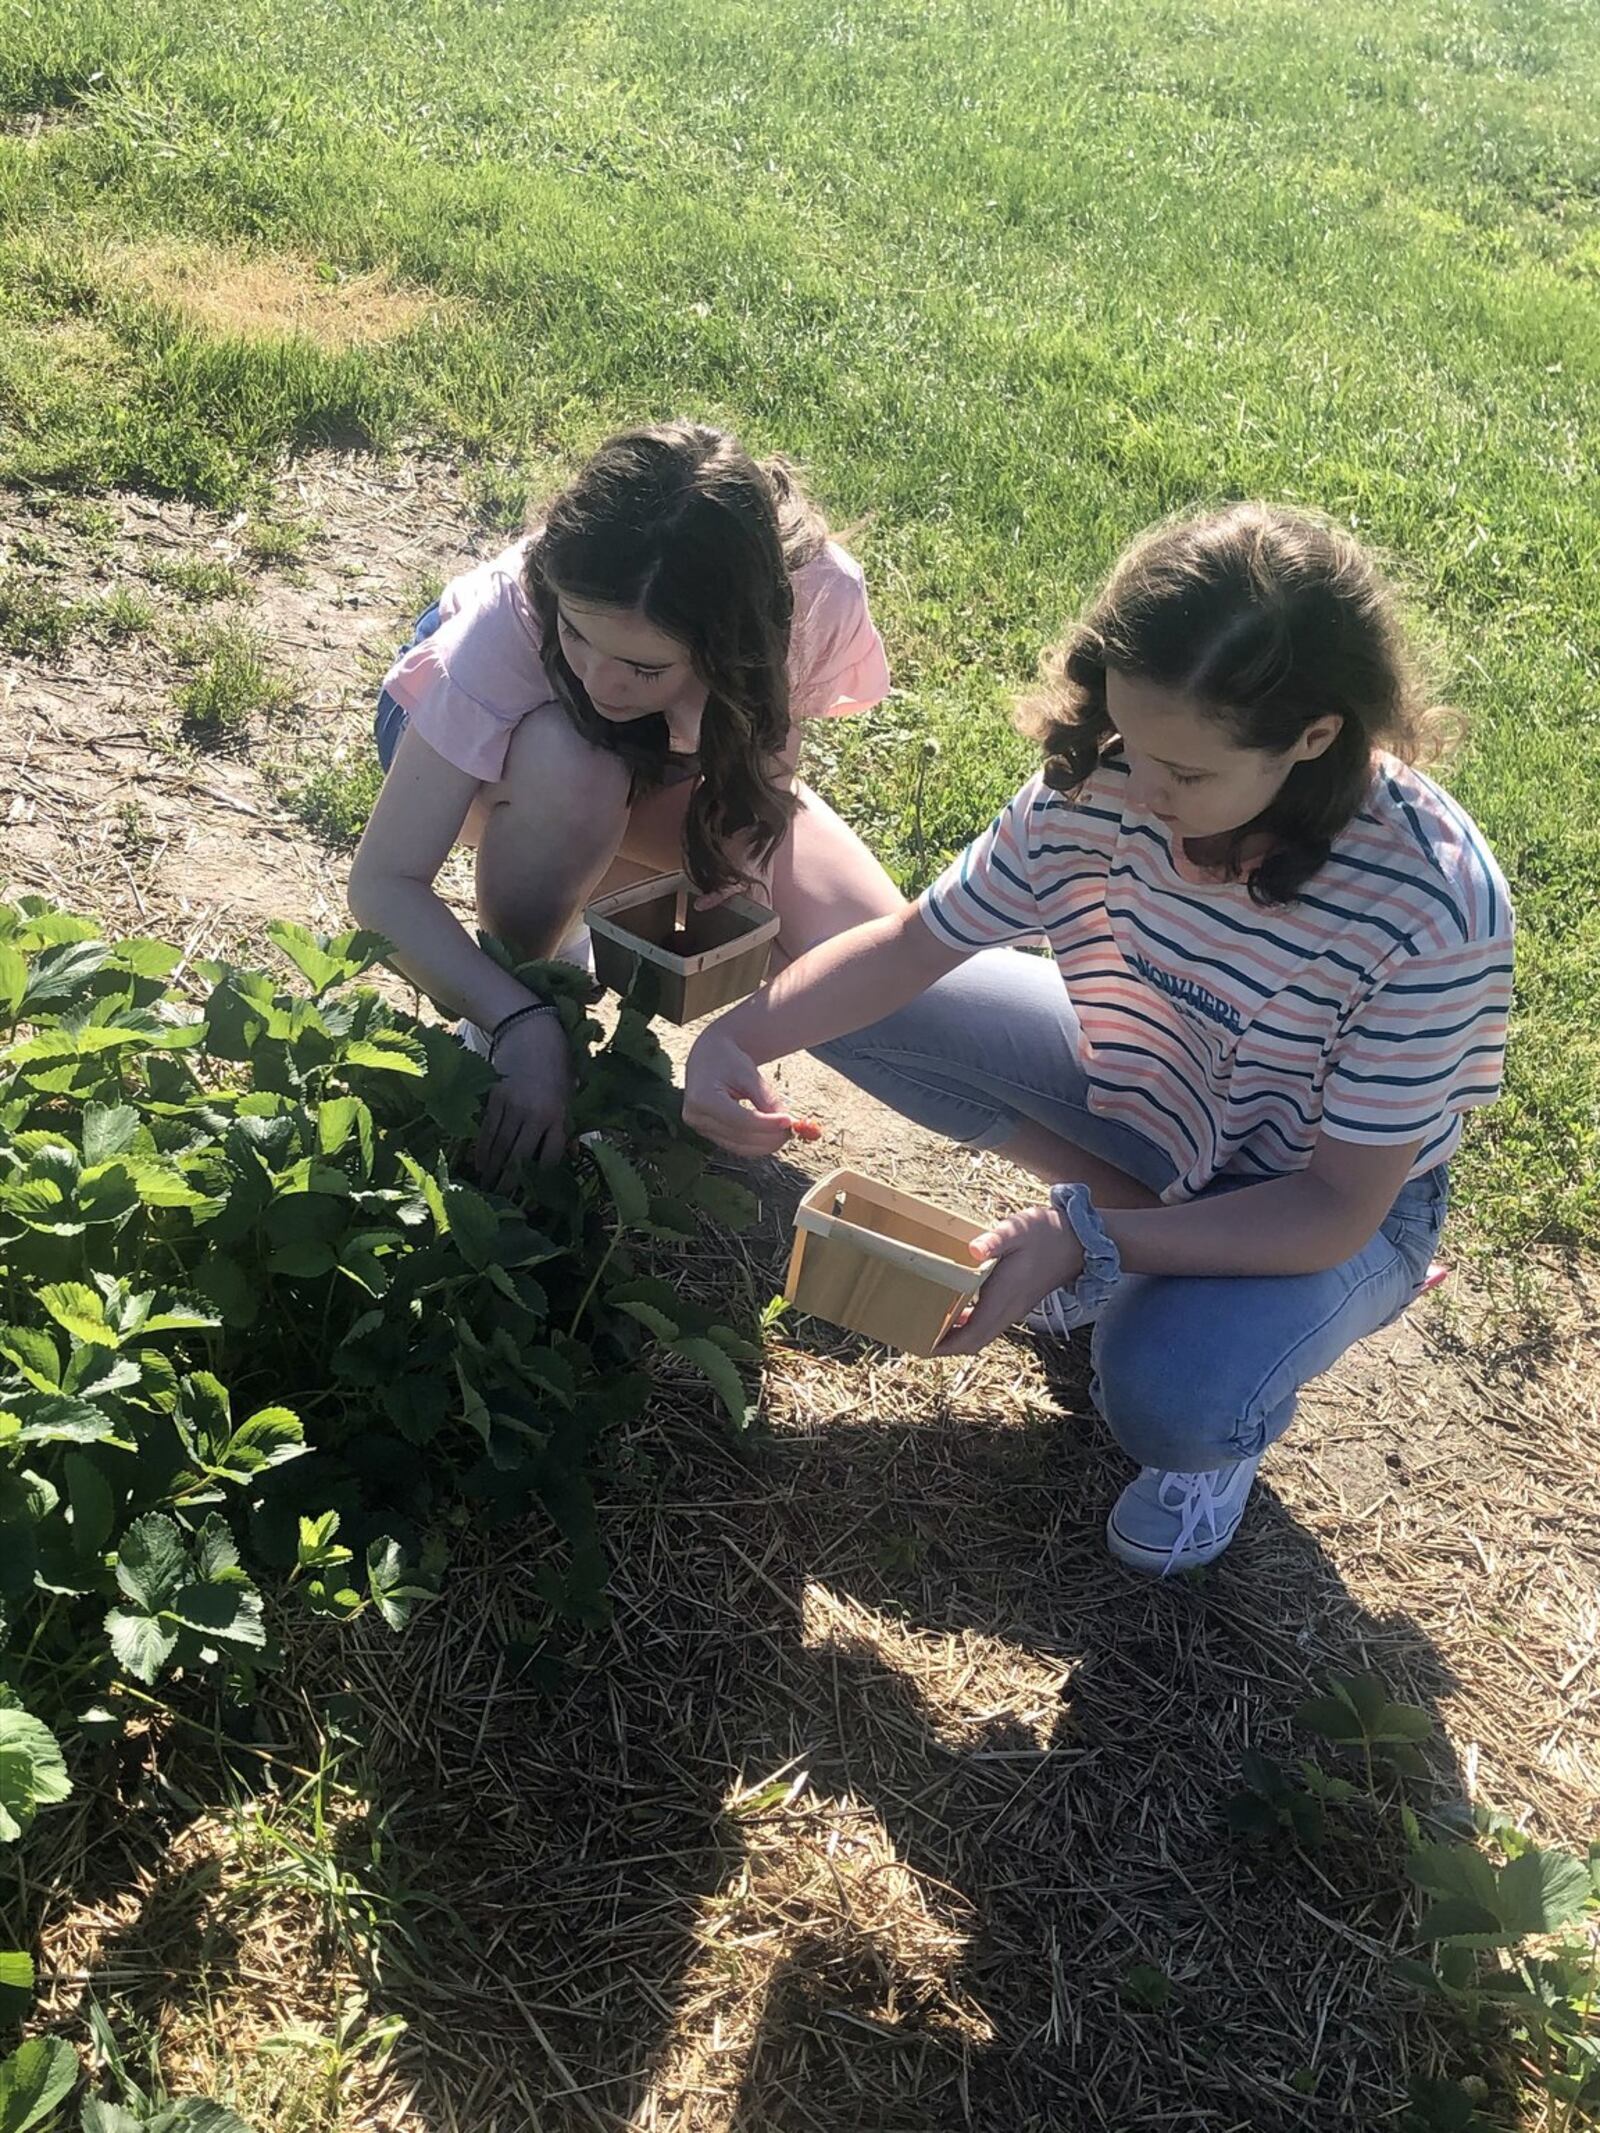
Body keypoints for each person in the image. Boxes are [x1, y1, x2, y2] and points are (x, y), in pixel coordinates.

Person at [683, 504, 1513, 1576]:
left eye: (1190, 773)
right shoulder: (1112, 774)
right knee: (857, 1002)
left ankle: (1210, 1431)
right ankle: (1141, 1228)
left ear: (1314, 737)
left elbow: (1331, 1206)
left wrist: (1082, 1235)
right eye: (1130, 741)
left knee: (1163, 1388)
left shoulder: (1426, 903)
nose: (1145, 793)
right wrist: (735, 1034)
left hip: (1335, 1203)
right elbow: (909, 945)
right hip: (1154, 1097)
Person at [348, 419, 904, 1182]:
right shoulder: (509, 622)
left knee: (869, 945)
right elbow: (382, 884)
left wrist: (743, 1020)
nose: (598, 682)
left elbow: (762, 781)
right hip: (491, 749)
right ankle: (528, 988)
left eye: (643, 668)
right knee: (577, 766)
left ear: (729, 638)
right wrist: (519, 1019)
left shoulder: (816, 601)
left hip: (662, 763)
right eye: (577, 636)